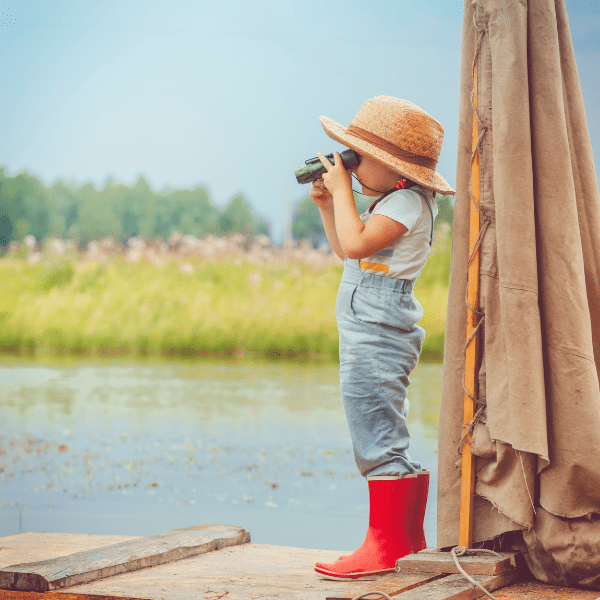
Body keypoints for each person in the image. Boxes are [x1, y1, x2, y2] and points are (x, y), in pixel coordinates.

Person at [309, 96, 455, 581]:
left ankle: (386, 546)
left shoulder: (407, 204)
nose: (348, 164)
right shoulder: (395, 201)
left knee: (375, 431)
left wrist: (343, 194)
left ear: (396, 171)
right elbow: (349, 252)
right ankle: (408, 541)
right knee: (385, 429)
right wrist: (333, 205)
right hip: (371, 327)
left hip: (375, 334)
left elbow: (356, 245)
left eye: (357, 157)